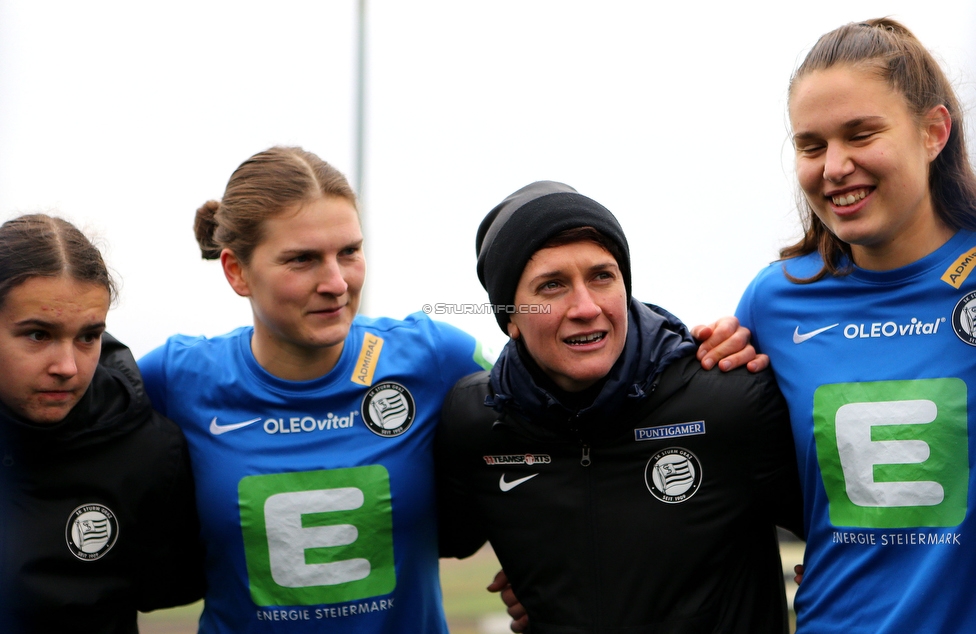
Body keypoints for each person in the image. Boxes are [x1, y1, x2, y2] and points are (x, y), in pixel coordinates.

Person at [137, 146, 492, 633]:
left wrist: (538, 566)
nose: (336, 283)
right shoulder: (174, 377)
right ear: (236, 271)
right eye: (302, 259)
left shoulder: (435, 357)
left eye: (349, 252)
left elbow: (554, 435)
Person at [699, 18, 976, 633]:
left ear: (934, 132)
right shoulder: (774, 304)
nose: (835, 166)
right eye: (812, 145)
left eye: (861, 134)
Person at [436, 181, 804, 633]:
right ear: (510, 317)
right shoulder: (475, 421)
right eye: (552, 286)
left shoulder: (729, 397)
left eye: (601, 277)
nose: (586, 307)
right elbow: (442, 539)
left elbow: (844, 525)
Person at [0, 214, 204, 633]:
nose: (68, 366)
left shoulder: (147, 448)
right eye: (38, 335)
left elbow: (165, 591)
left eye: (88, 336)